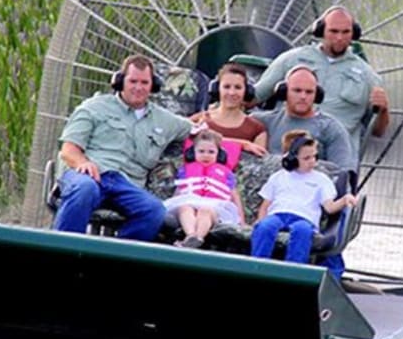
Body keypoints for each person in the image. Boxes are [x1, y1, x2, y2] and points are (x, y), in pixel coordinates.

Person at [53, 54, 193, 241]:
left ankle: (114, 260)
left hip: (127, 184)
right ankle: (64, 252)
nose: (138, 87)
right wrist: (83, 162)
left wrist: (244, 142)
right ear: (120, 81)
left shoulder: (166, 120)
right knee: (85, 189)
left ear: (154, 85)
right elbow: (68, 150)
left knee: (155, 210)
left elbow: (201, 128)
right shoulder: (94, 107)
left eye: (144, 82)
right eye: (133, 81)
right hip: (90, 175)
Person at [253, 6, 390, 161]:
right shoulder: (291, 59)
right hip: (286, 149)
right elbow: (254, 97)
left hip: (335, 156)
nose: (339, 38)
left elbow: (378, 131)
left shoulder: (368, 76)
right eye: (334, 31)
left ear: (354, 34)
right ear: (320, 30)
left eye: (346, 32)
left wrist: (384, 110)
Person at [250, 130, 357, 263]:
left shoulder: (321, 179)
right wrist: (261, 220)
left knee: (302, 231)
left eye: (315, 156)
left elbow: (329, 207)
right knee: (265, 227)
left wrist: (345, 199)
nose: (312, 161)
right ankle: (258, 264)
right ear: (291, 159)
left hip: (304, 218)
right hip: (278, 214)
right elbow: (266, 204)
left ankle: (294, 268)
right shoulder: (279, 177)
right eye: (306, 158)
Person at [250, 65, 356, 175]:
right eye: (297, 90)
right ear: (284, 91)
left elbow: (343, 173)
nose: (303, 96)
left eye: (309, 92)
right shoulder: (262, 122)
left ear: (317, 95)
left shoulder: (331, 129)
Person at [163, 129, 245, 248]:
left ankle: (199, 237)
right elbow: (180, 189)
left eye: (211, 152)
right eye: (201, 151)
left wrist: (241, 219)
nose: (206, 155)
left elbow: (234, 195)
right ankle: (191, 236)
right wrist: (174, 202)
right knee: (184, 208)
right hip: (190, 200)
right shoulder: (185, 170)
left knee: (205, 211)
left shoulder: (226, 173)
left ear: (219, 154)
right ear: (193, 152)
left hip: (216, 206)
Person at [189, 63, 269, 157]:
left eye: (238, 87)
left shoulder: (257, 129)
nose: (232, 92)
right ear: (216, 89)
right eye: (226, 87)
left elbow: (260, 162)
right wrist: (243, 144)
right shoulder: (198, 120)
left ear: (247, 91)